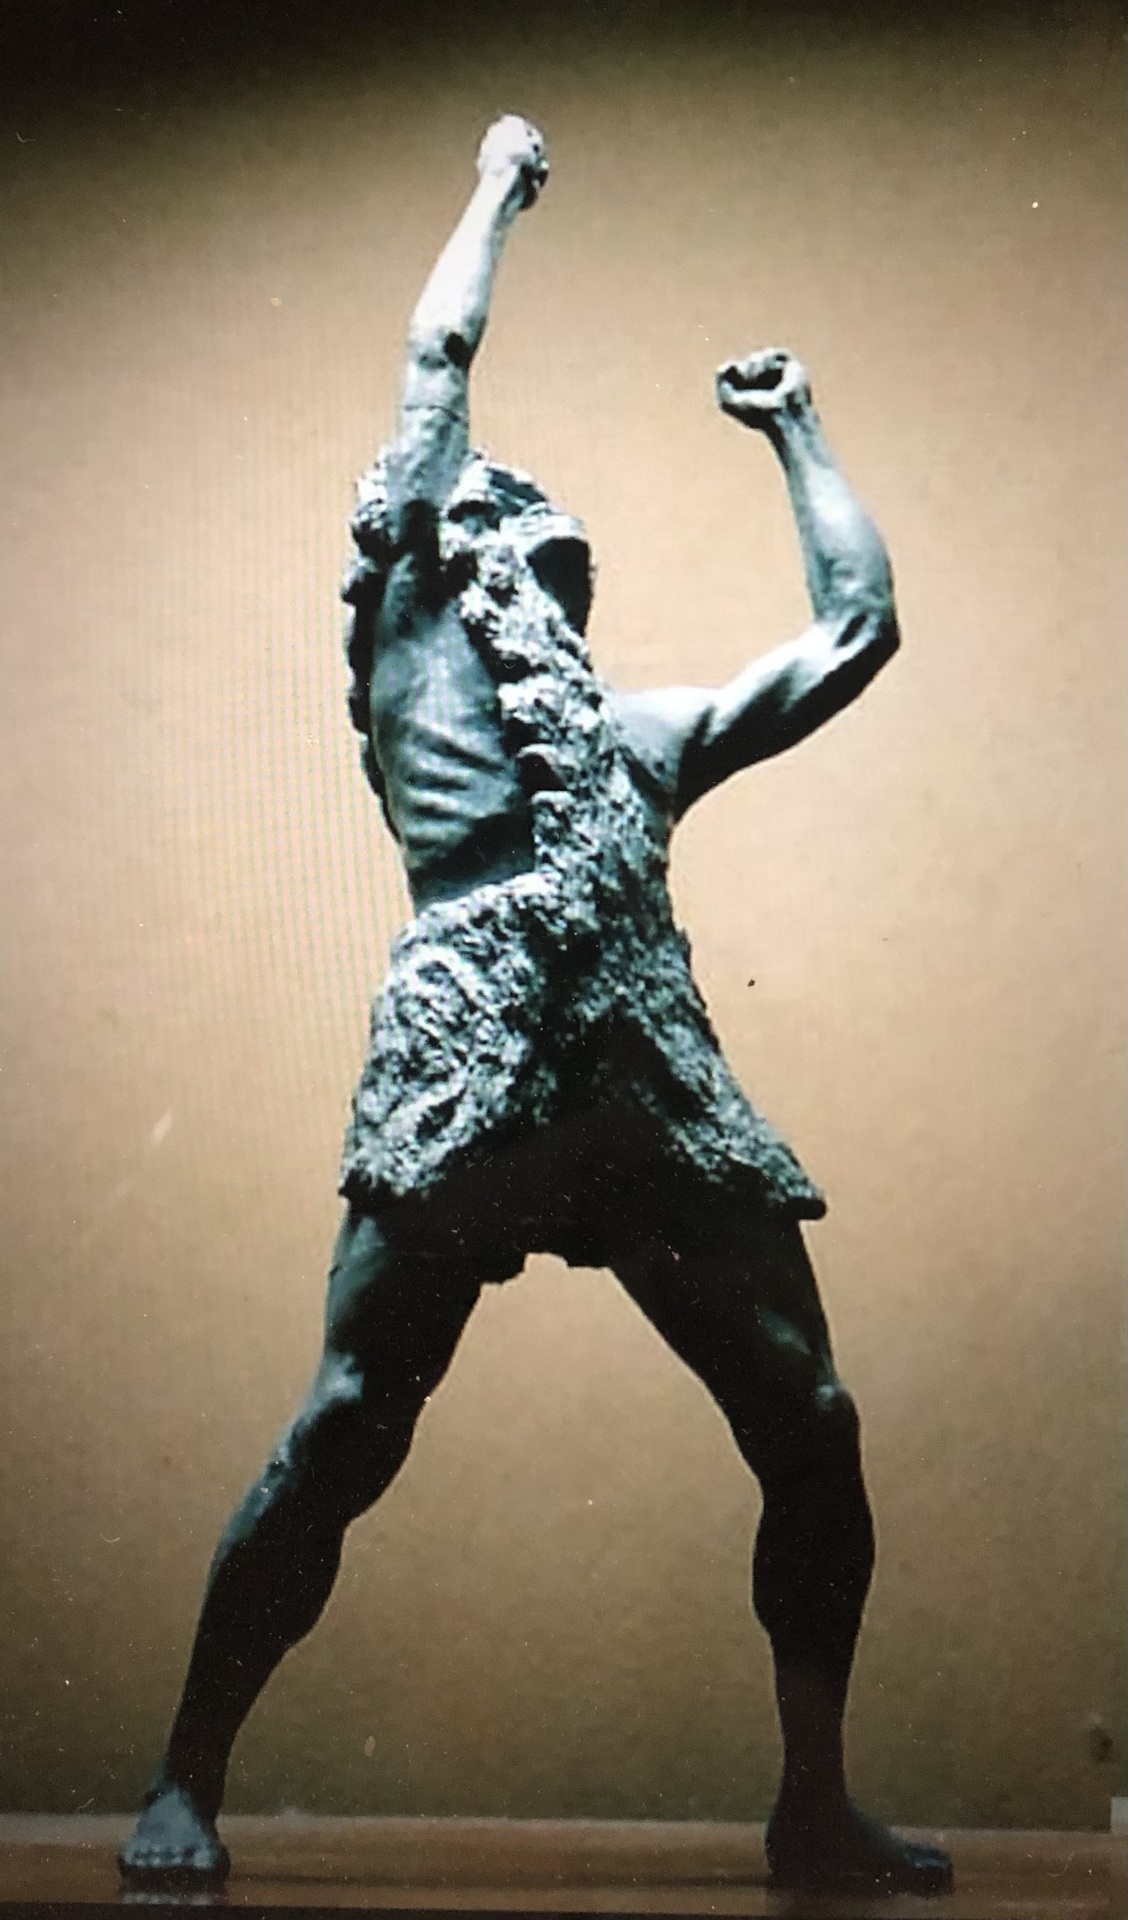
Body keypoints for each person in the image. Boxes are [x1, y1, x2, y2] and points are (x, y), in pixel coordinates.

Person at [119, 116, 952, 1896]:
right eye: (509, 519)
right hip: (471, 1048)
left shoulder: (639, 735)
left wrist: (799, 428)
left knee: (809, 1422)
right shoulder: (417, 628)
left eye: (562, 547)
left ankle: (813, 1796)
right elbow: (437, 362)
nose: (543, 547)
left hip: (645, 1070)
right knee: (350, 1421)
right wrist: (497, 186)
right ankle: (184, 1773)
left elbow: (856, 630)